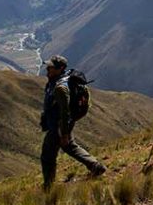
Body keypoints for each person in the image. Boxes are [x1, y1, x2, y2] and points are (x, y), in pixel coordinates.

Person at [40, 55, 105, 189]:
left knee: (47, 156)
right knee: (70, 147)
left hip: (58, 126)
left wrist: (63, 133)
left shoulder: (60, 88)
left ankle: (48, 186)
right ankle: (95, 166)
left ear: (60, 68)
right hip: (61, 125)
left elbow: (65, 112)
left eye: (51, 67)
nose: (48, 69)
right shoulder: (59, 80)